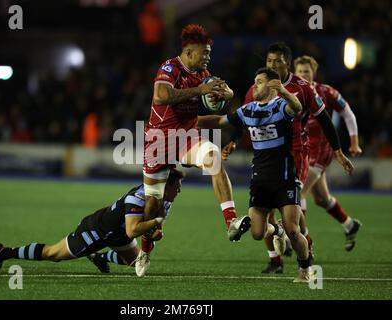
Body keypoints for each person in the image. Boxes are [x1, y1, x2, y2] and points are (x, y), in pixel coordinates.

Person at [223, 42, 354, 273]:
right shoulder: (258, 88)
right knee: (263, 213)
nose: (273, 65)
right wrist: (233, 141)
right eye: (269, 61)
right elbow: (243, 118)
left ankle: (305, 247)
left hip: (296, 153)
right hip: (266, 155)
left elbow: (324, 118)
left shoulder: (302, 88)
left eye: (277, 61)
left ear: (287, 63)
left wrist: (339, 151)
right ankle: (275, 259)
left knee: (294, 203)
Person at [139, 24, 245, 276]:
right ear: (188, 52)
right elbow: (161, 96)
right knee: (153, 206)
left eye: (209, 52)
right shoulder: (170, 68)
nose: (208, 56)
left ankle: (231, 221)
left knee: (214, 158)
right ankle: (144, 250)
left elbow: (222, 92)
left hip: (187, 137)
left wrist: (225, 93)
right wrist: (200, 90)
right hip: (159, 141)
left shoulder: (204, 74)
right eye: (204, 52)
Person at [198, 68, 314, 282]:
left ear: (272, 85)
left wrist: (284, 91)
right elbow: (219, 121)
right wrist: (193, 120)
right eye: (254, 81)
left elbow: (297, 108)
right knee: (257, 233)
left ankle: (305, 268)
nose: (255, 86)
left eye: (259, 82)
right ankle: (276, 230)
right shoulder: (248, 110)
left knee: (294, 231)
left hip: (285, 178)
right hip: (260, 181)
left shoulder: (280, 106)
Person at [0, 169, 184, 275]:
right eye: (178, 186)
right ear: (165, 186)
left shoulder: (164, 202)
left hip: (117, 235)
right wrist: (155, 224)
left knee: (136, 262)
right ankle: (5, 252)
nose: (180, 190)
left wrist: (155, 233)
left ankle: (100, 258)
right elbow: (133, 231)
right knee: (53, 254)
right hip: (96, 231)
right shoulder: (138, 198)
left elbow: (150, 229)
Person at [294, 55, 362, 251]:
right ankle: (350, 225)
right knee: (321, 199)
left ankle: (302, 241)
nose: (303, 75)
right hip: (304, 148)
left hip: (322, 150)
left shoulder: (325, 91)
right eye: (299, 71)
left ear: (313, 72)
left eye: (306, 71)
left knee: (299, 193)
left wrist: (354, 143)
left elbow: (347, 113)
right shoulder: (293, 92)